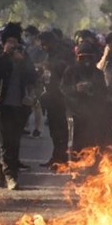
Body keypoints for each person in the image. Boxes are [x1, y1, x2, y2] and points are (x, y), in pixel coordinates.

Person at [0, 23, 36, 190]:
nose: (12, 44)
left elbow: (33, 77)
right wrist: (5, 56)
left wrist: (23, 63)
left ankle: (1, 170)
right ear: (3, 43)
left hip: (20, 105)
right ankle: (11, 176)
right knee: (6, 141)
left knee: (13, 141)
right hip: (2, 104)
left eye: (15, 41)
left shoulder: (24, 56)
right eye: (9, 41)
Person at [36, 30, 72, 168]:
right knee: (54, 130)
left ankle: (61, 159)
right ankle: (56, 157)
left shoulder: (63, 52)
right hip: (51, 95)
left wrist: (48, 66)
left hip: (61, 96)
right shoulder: (50, 53)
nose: (43, 47)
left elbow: (65, 69)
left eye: (44, 44)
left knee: (61, 130)